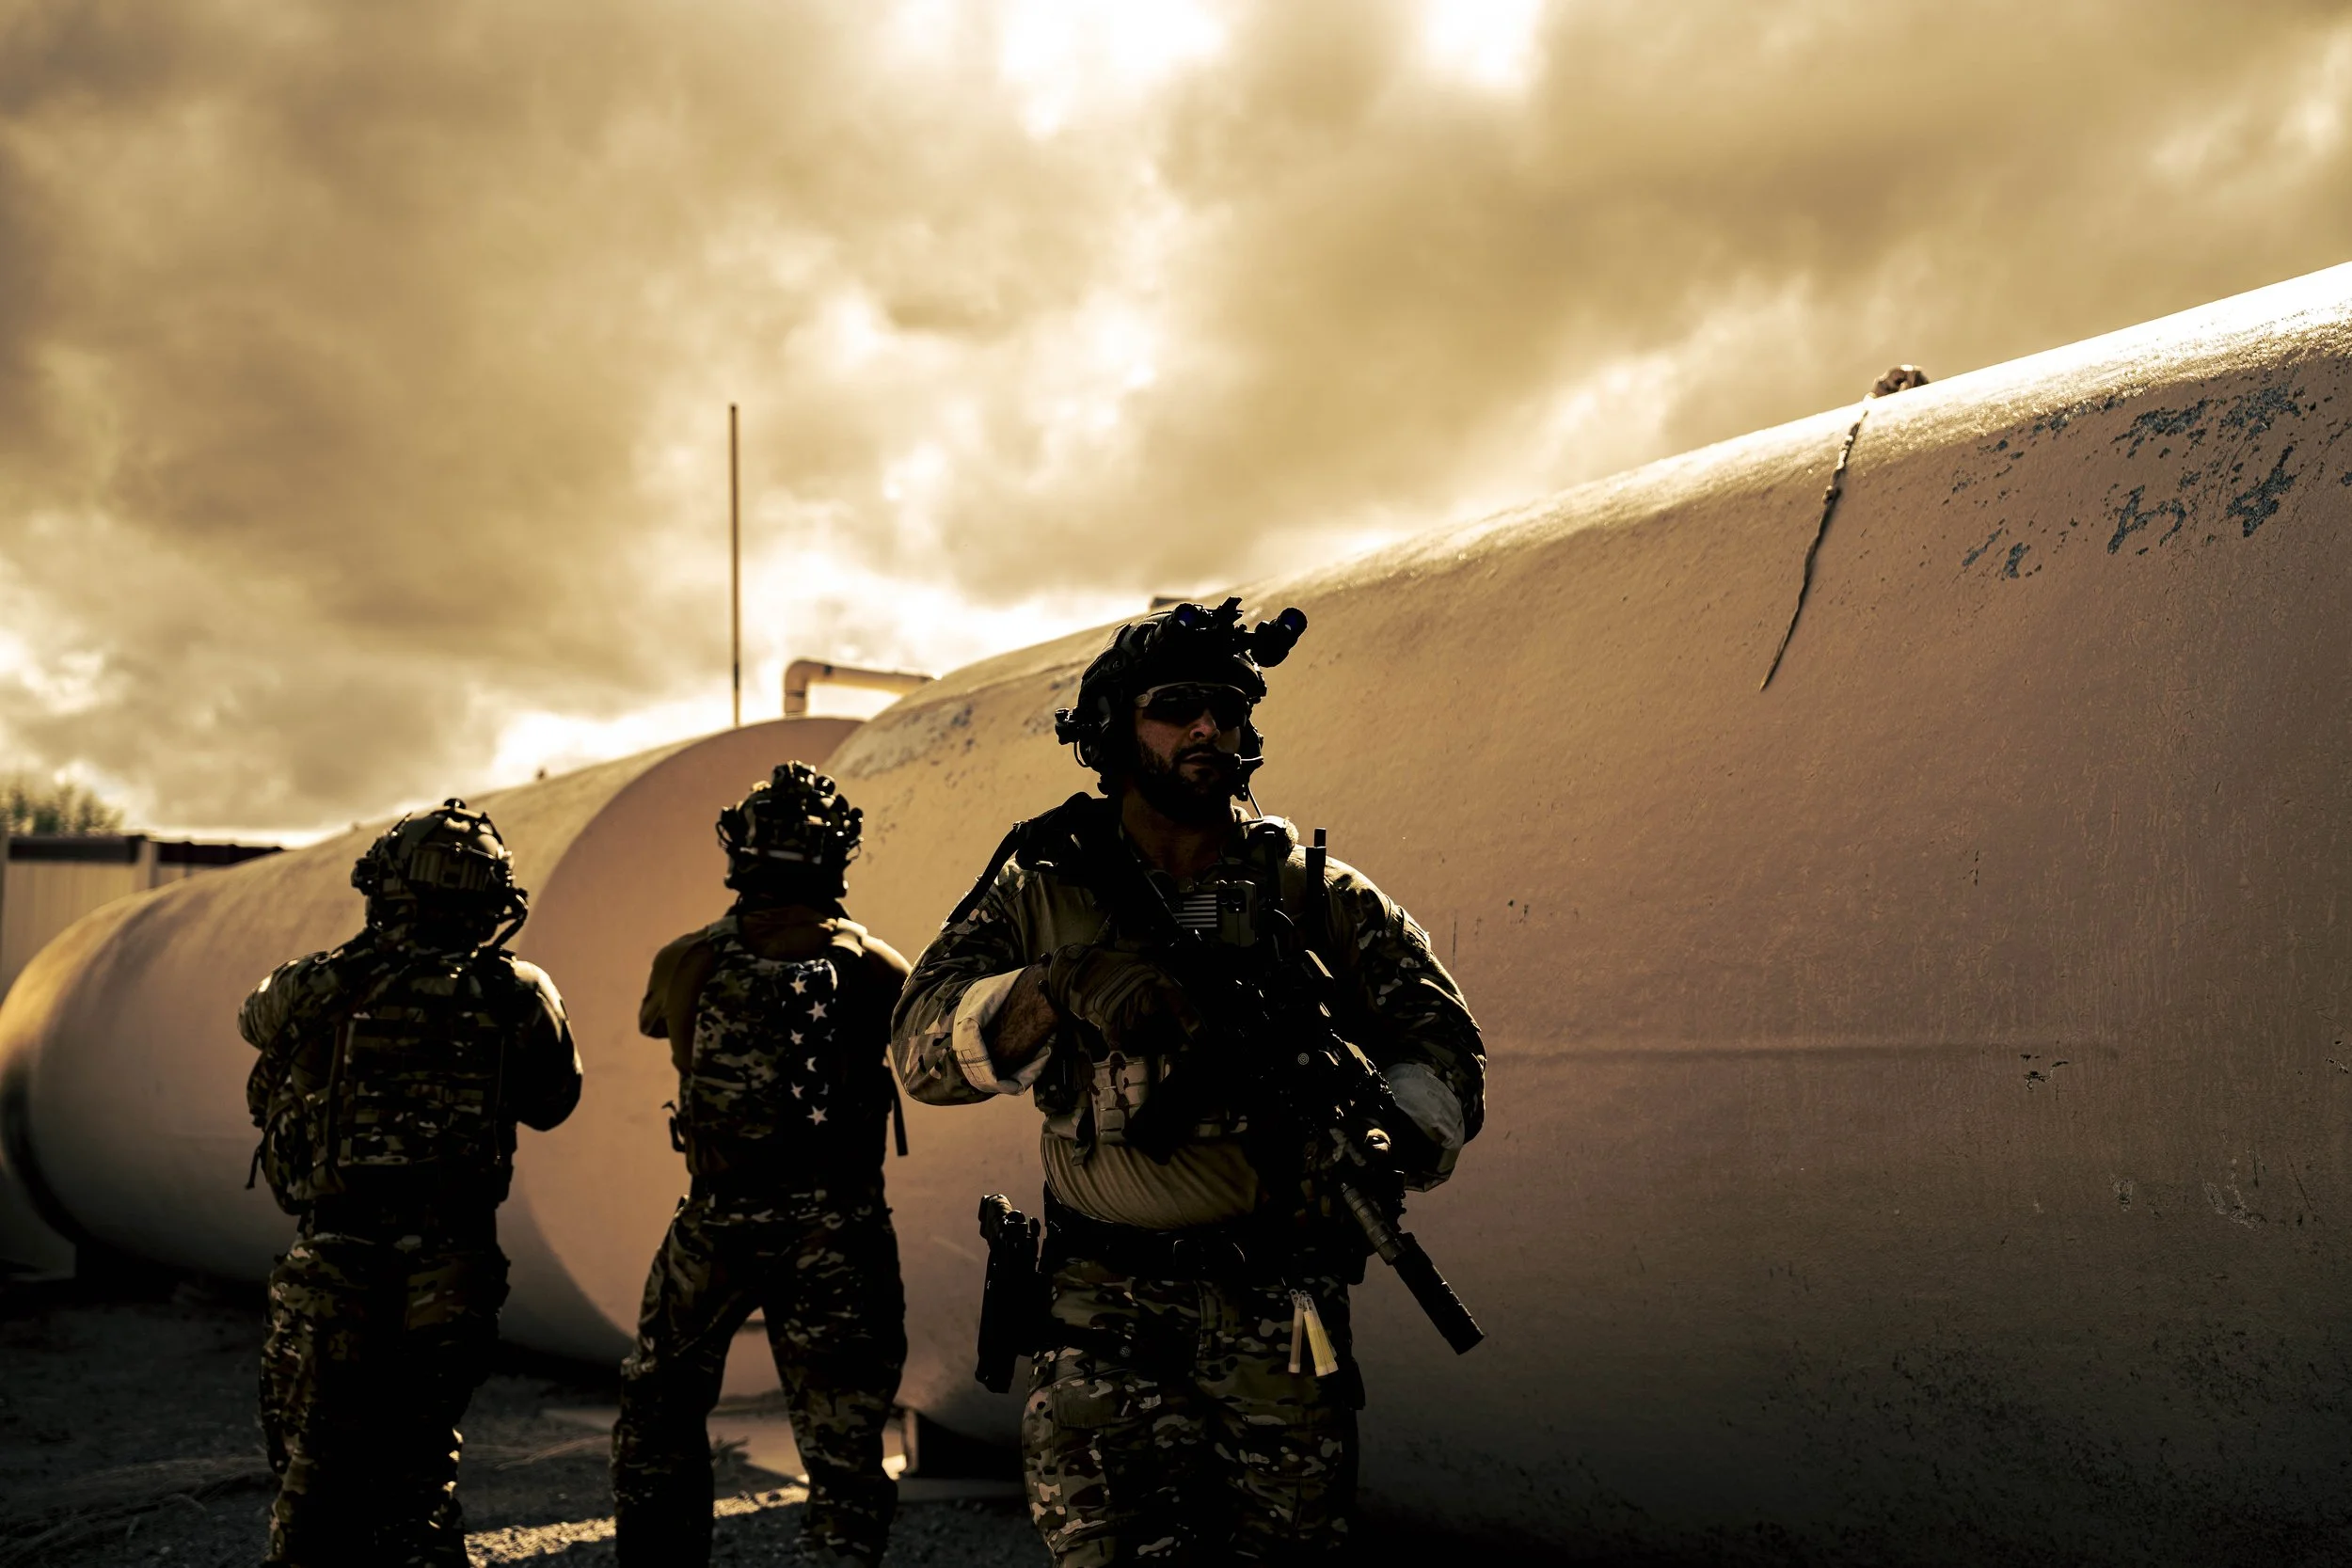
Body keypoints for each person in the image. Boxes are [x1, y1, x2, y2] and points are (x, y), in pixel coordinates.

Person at [892, 598, 1486, 1565]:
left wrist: (1393, 1126)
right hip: (1104, 1317)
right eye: (1176, 707)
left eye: (1227, 708)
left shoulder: (1311, 891)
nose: (1208, 726)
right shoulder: (1042, 886)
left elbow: (1443, 1039)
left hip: (1282, 1318)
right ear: (1112, 730)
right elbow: (919, 1051)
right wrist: (1053, 987)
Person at [243, 799, 581, 1568]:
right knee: (418, 1475)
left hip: (334, 1257)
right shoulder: (517, 991)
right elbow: (553, 1101)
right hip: (451, 1264)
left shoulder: (319, 984)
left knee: (313, 1477)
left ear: (384, 886)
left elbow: (255, 1022)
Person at [611, 763, 912, 1568]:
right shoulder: (874, 965)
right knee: (845, 1442)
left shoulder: (688, 960)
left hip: (718, 1221)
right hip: (839, 1228)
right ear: (836, 855)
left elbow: (652, 1022)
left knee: (660, 1412)